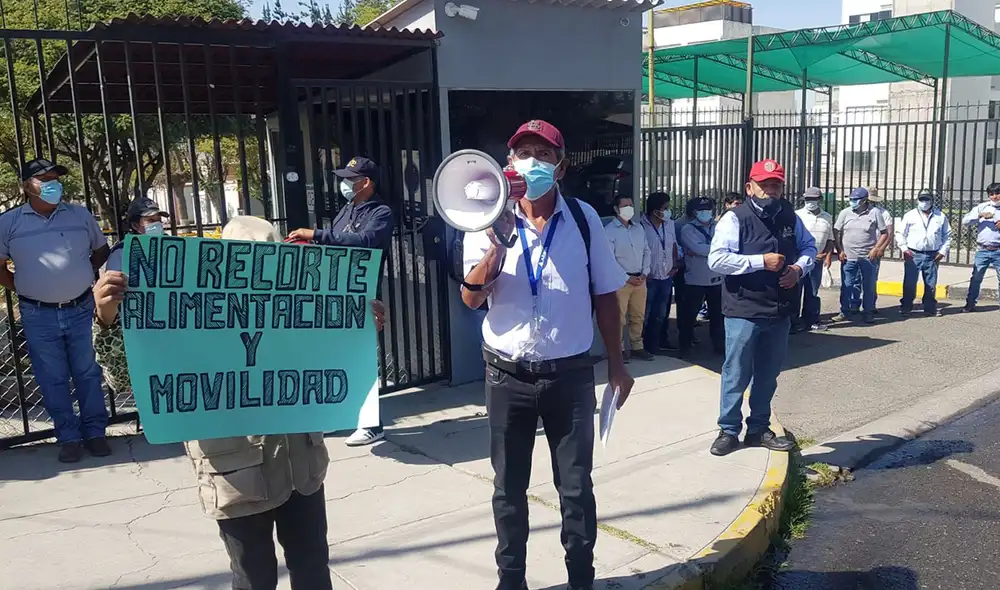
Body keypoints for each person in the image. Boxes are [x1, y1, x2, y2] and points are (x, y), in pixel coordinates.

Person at [92, 215, 387, 590]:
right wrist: (106, 318)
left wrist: (360, 327)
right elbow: (123, 378)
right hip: (235, 472)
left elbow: (340, 365)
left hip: (302, 467)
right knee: (253, 578)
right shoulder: (190, 315)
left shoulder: (298, 308)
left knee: (313, 568)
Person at [460, 119, 634, 590]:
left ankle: (581, 577)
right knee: (508, 488)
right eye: (523, 154)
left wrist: (617, 365)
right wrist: (495, 249)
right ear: (509, 163)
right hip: (506, 378)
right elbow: (471, 298)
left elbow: (605, 296)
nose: (531, 163)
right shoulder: (484, 217)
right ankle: (511, 579)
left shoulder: (583, 218)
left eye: (543, 154)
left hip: (570, 377)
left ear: (560, 167)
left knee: (575, 488)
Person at [0, 158, 111, 463]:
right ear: (27, 187)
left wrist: (80, 273)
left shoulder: (80, 215)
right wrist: (25, 287)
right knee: (52, 377)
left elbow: (101, 250)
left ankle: (95, 433)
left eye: (55, 178)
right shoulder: (8, 223)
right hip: (38, 314)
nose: (53, 184)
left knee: (88, 372)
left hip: (81, 307)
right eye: (44, 179)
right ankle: (69, 437)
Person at [707, 159, 816, 457]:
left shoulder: (789, 216)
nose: (770, 190)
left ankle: (758, 429)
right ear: (750, 187)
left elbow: (809, 247)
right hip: (744, 309)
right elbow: (716, 260)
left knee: (768, 374)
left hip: (779, 310)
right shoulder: (734, 218)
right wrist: (760, 262)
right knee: (736, 372)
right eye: (764, 185)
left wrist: (799, 269)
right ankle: (728, 430)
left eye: (775, 185)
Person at [288, 156, 394, 447]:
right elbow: (335, 243)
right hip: (337, 291)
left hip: (363, 292)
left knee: (361, 358)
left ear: (366, 182)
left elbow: (365, 241)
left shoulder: (381, 213)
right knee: (335, 358)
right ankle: (339, 414)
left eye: (350, 179)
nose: (345, 184)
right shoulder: (348, 209)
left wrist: (317, 234)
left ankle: (372, 425)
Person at [605, 194, 653, 361]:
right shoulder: (609, 231)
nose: (629, 209)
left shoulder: (638, 228)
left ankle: (637, 346)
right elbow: (609, 259)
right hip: (621, 281)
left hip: (640, 279)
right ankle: (619, 350)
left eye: (630, 205)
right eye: (625, 206)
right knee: (619, 318)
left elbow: (646, 251)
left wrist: (645, 272)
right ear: (616, 209)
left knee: (638, 316)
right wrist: (626, 277)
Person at [832, 187, 889, 324]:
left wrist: (876, 248)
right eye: (851, 199)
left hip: (868, 257)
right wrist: (840, 250)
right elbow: (836, 231)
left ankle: (868, 312)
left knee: (868, 286)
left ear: (864, 200)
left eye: (855, 200)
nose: (852, 202)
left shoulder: (875, 213)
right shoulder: (845, 213)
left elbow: (884, 233)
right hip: (848, 257)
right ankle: (844, 311)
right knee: (847, 285)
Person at [677, 197, 724, 358]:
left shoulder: (719, 227)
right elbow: (699, 249)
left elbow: (726, 246)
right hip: (695, 279)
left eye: (708, 209)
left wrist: (707, 250)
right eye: (701, 210)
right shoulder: (688, 229)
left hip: (717, 277)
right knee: (689, 316)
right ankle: (685, 346)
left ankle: (719, 345)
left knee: (717, 315)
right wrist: (717, 250)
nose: (705, 213)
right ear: (695, 212)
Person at [896, 191, 951, 317]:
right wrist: (904, 249)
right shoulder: (910, 215)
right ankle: (906, 307)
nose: (924, 202)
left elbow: (947, 235)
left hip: (933, 255)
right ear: (917, 200)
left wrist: (942, 251)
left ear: (932, 201)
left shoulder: (940, 216)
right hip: (913, 254)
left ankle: (930, 308)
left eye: (927, 199)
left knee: (931, 284)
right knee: (910, 282)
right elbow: (900, 233)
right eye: (921, 199)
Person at [639, 191, 678, 356]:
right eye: (665, 208)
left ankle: (654, 345)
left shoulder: (669, 224)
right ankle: (640, 345)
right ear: (655, 210)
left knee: (660, 314)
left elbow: (673, 245)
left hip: (666, 275)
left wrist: (675, 264)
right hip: (649, 277)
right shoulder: (641, 226)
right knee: (644, 314)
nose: (668, 211)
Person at [792, 187, 835, 333]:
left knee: (813, 291)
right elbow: (792, 238)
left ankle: (811, 320)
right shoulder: (797, 215)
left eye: (813, 199)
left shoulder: (827, 217)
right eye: (807, 199)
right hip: (799, 260)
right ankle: (793, 322)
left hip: (817, 261)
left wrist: (827, 256)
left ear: (820, 200)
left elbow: (830, 239)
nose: (810, 202)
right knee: (795, 291)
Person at [960, 183, 1000, 312]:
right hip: (983, 250)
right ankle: (970, 304)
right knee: (976, 278)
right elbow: (965, 221)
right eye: (991, 194)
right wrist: (979, 215)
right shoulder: (982, 207)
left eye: (997, 193)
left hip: (998, 249)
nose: (995, 197)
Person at [105, 197, 170, 273]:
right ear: (135, 225)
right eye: (151, 220)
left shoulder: (171, 245)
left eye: (159, 220)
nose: (157, 224)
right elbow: (114, 278)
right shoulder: (121, 252)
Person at [866, 187, 892, 314]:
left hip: (875, 250)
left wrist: (881, 248)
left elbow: (888, 233)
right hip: (859, 249)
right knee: (856, 280)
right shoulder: (857, 212)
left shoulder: (884, 213)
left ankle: (870, 305)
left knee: (871, 279)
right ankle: (854, 305)